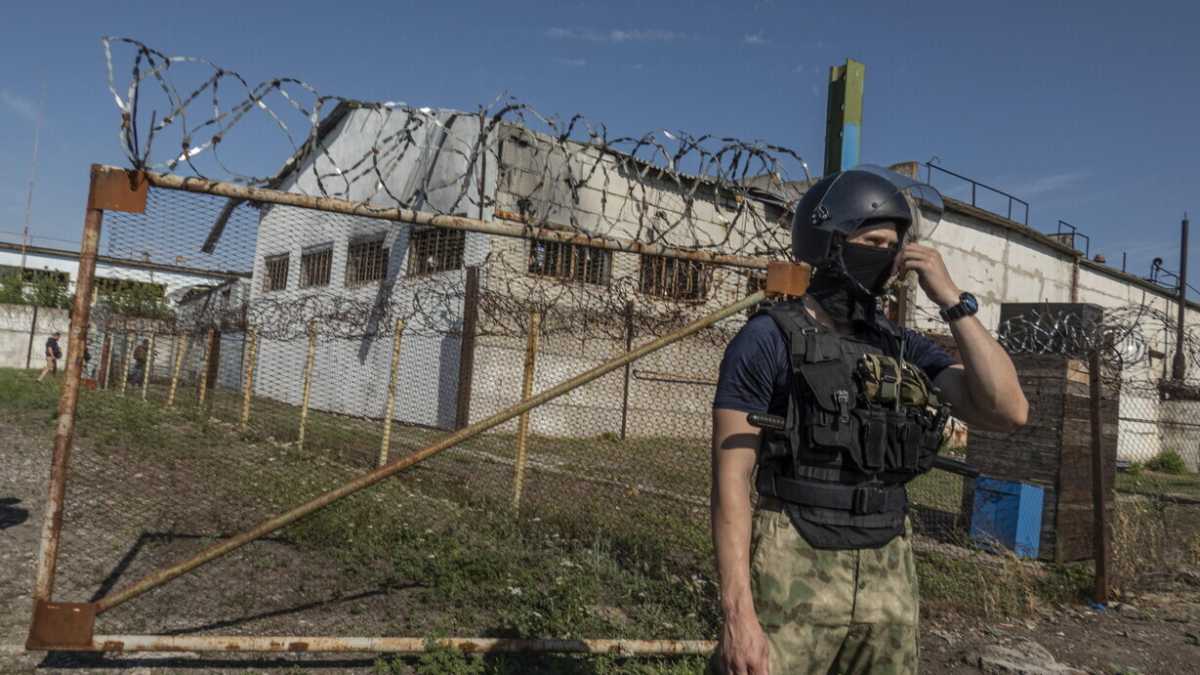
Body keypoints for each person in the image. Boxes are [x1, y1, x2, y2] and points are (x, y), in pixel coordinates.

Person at [710, 166, 1028, 674]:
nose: (891, 257)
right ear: (830, 242)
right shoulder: (768, 339)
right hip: (794, 564)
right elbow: (730, 484)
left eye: (896, 245)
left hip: (888, 574)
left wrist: (953, 301)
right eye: (875, 240)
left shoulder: (900, 346)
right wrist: (737, 614)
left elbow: (1008, 409)